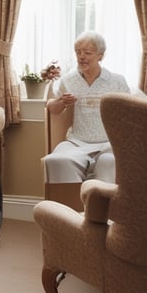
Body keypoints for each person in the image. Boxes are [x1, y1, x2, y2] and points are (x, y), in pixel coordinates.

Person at [43, 30, 130, 184]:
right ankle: (69, 206)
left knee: (109, 162)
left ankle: (99, 206)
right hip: (77, 142)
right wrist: (62, 101)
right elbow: (53, 108)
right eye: (78, 52)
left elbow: (129, 113)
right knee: (56, 161)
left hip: (108, 142)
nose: (81, 56)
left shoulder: (116, 81)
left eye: (87, 52)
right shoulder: (68, 80)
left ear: (100, 56)